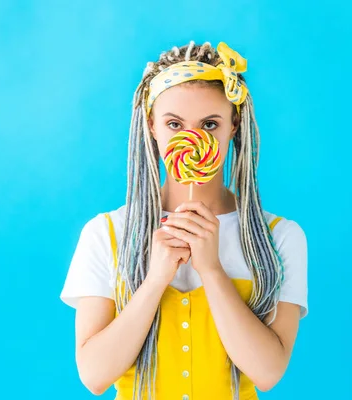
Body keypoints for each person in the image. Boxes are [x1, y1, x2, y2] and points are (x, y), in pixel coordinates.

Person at [60, 40, 308, 400]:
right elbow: (94, 376)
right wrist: (155, 279)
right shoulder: (107, 233)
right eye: (174, 123)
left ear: (234, 126)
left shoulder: (278, 237)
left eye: (210, 123)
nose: (192, 139)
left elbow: (268, 373)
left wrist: (212, 269)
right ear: (152, 126)